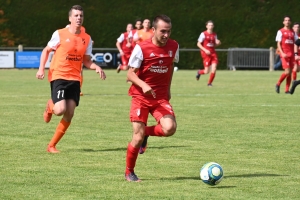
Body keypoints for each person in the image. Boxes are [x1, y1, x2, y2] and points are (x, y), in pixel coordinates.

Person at [36, 5, 106, 153]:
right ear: (70, 18)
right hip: (59, 75)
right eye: (76, 15)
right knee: (60, 109)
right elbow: (46, 50)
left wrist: (96, 67)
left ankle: (51, 146)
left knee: (70, 113)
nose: (79, 18)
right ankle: (50, 106)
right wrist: (41, 68)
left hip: (75, 79)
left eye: (81, 15)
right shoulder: (60, 34)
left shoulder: (86, 38)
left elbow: (86, 61)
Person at [124, 14, 179, 182]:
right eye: (163, 31)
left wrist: (168, 89)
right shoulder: (141, 48)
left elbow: (169, 67)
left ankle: (147, 132)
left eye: (168, 31)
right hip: (140, 96)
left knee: (170, 128)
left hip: (160, 97)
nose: (166, 35)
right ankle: (129, 172)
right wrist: (144, 85)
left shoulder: (174, 46)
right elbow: (130, 74)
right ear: (154, 30)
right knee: (137, 137)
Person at [275, 16, 298, 94]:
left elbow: (297, 42)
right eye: (286, 20)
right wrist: (282, 53)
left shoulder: (293, 32)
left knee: (290, 72)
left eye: (288, 20)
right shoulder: (280, 31)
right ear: (283, 22)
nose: (287, 21)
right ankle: (278, 84)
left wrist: (295, 54)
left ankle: (286, 90)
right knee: (287, 71)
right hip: (285, 54)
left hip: (292, 55)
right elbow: (278, 44)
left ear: (290, 22)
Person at [195, 20, 221, 86]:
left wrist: (218, 43)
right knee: (206, 71)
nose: (210, 26)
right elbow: (198, 44)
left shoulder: (214, 35)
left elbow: (214, 44)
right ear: (206, 26)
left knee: (214, 68)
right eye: (209, 25)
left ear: (213, 26)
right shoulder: (203, 34)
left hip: (213, 53)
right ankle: (199, 72)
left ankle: (209, 83)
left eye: (212, 25)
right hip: (205, 53)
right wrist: (205, 50)